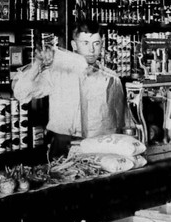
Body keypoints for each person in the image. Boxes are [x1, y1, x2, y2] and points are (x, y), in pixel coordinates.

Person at [12, 21, 125, 159]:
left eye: (96, 43)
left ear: (102, 44)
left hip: (97, 149)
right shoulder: (57, 74)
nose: (91, 50)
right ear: (74, 45)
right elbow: (21, 92)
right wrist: (37, 64)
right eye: (85, 43)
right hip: (62, 148)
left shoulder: (112, 79)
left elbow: (120, 121)